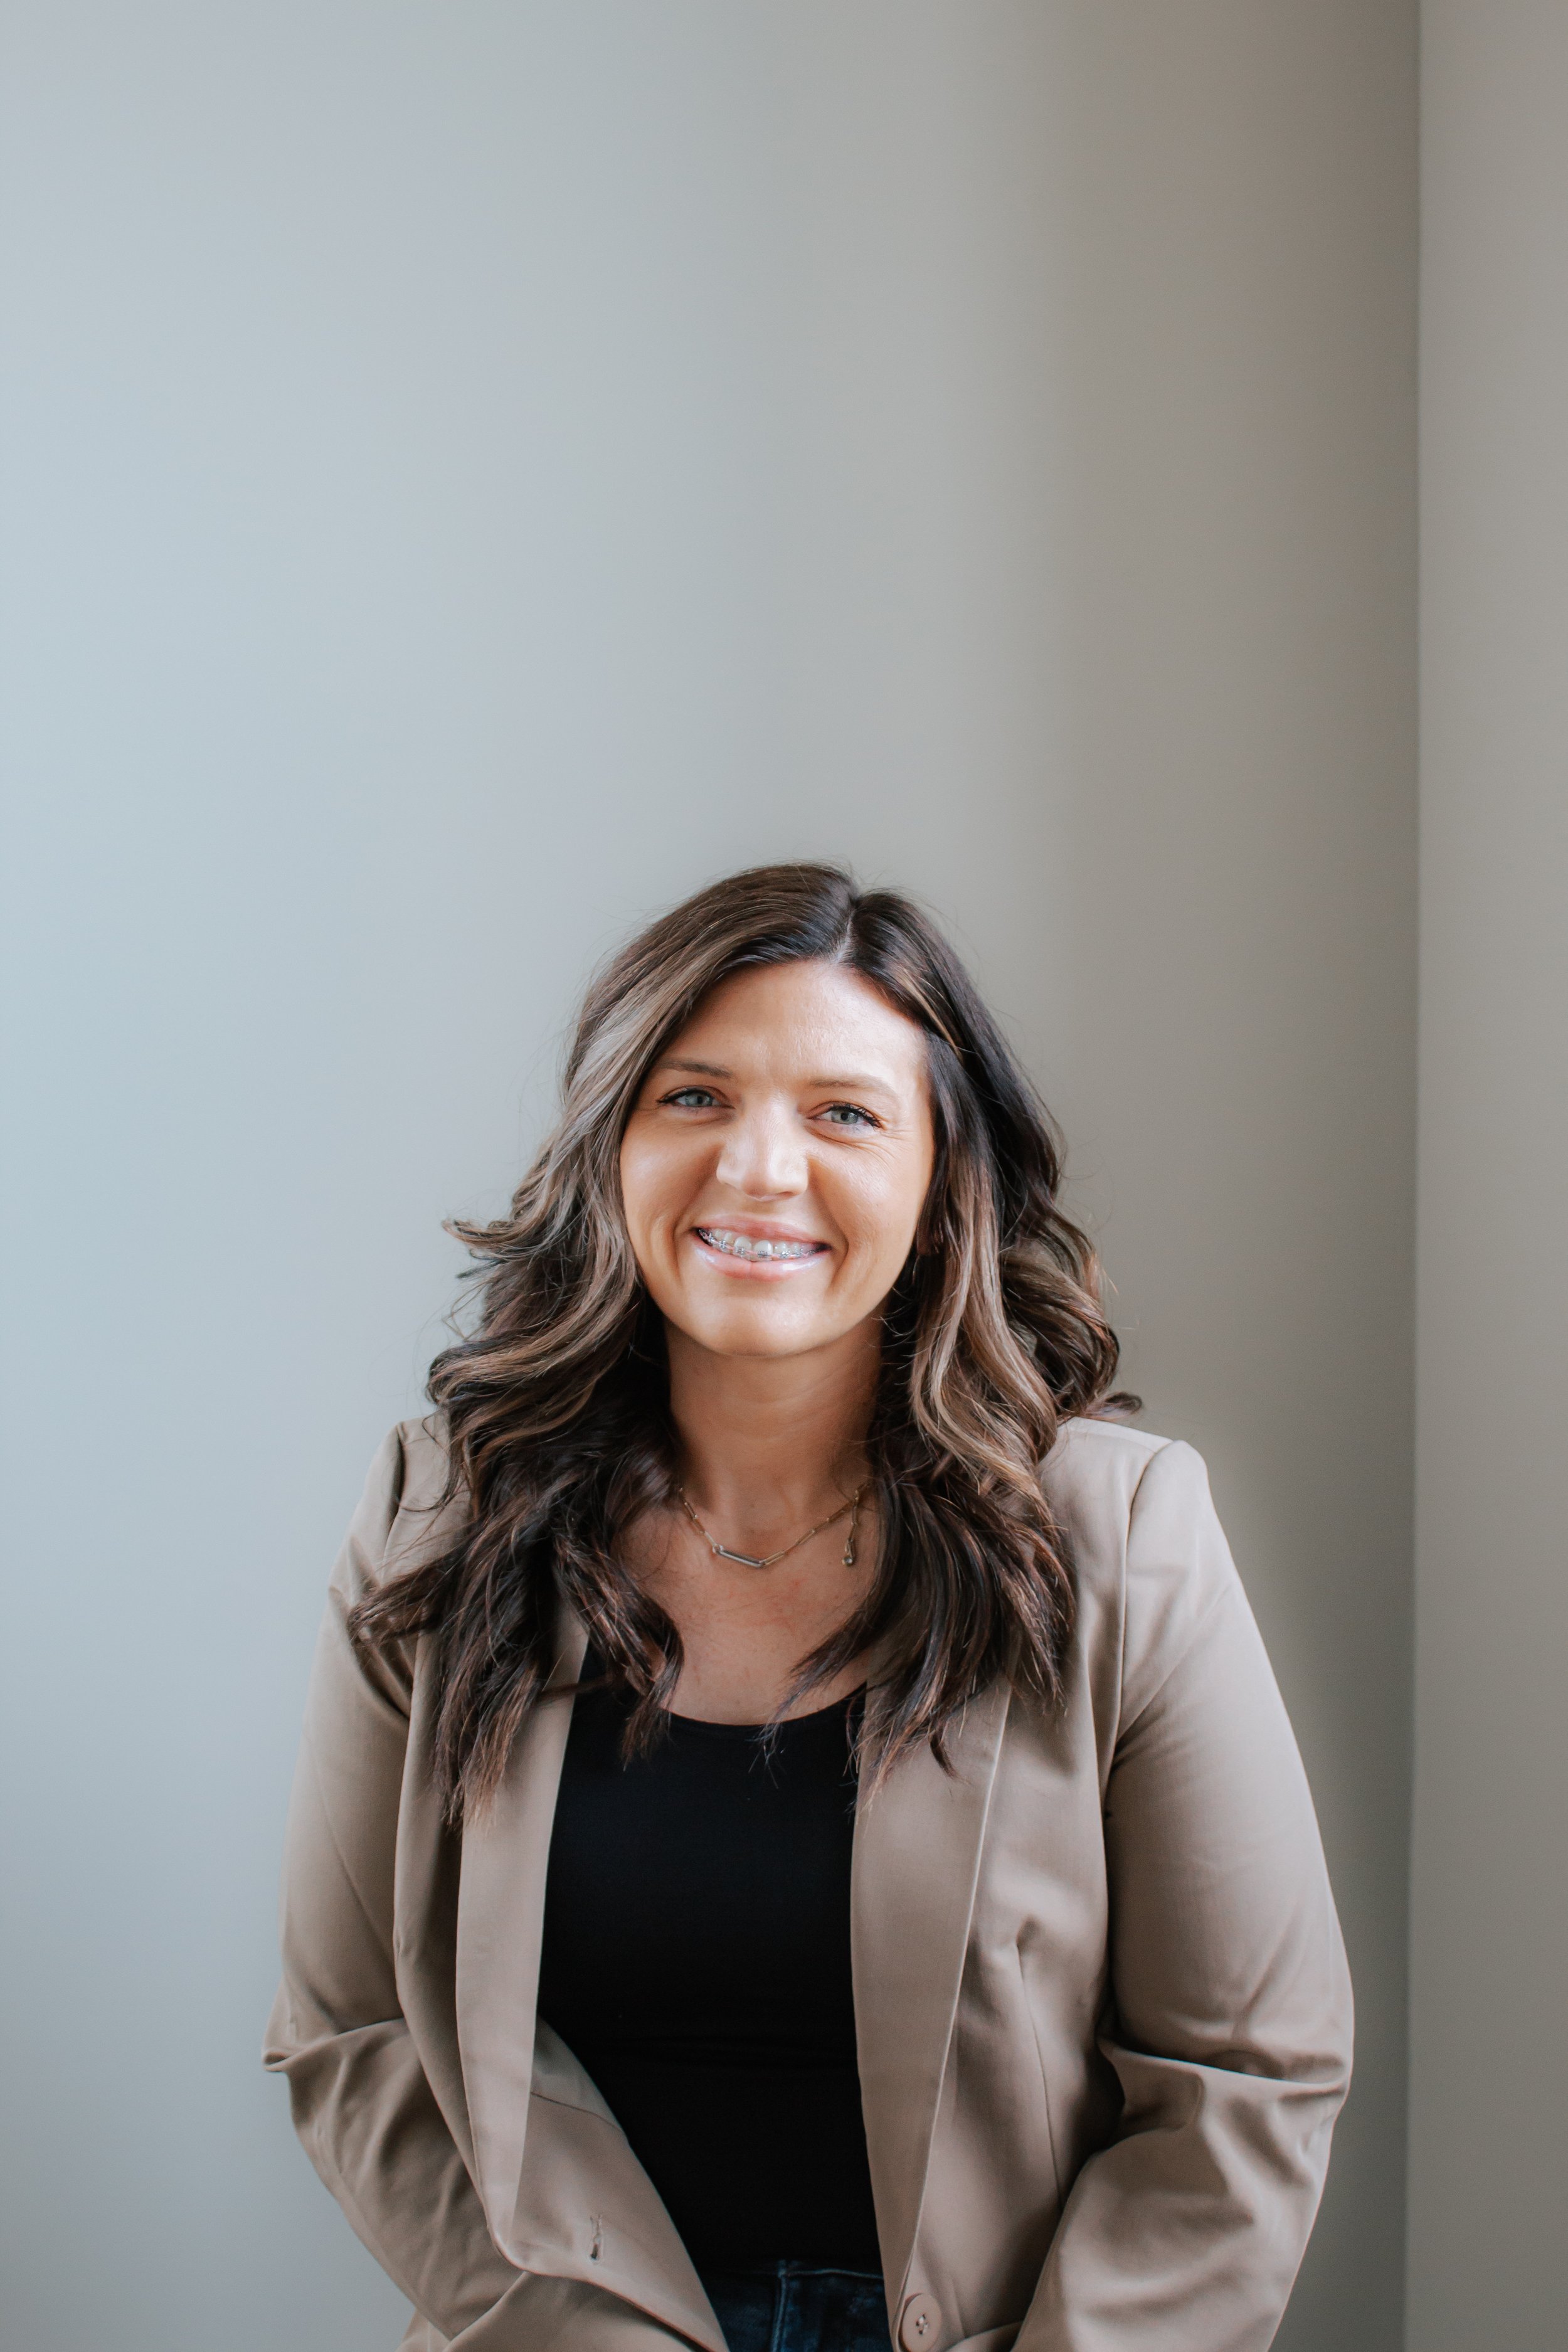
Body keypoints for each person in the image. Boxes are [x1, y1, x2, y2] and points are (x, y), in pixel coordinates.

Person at [267, 862, 1352, 2352]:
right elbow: (351, 2033)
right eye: (694, 1097)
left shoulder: (1119, 1536)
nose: (759, 1170)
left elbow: (1243, 2081)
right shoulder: (435, 1522)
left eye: (842, 1113)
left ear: (939, 1180)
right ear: (613, 1149)